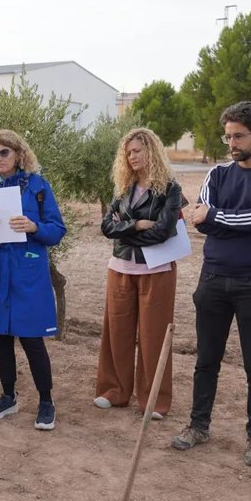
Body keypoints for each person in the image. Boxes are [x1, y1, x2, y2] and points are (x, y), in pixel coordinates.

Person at [171, 101, 251, 468]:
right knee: (206, 360)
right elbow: (200, 220)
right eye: (228, 136)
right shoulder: (217, 174)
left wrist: (220, 215)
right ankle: (198, 425)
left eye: (238, 136)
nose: (232, 143)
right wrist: (227, 216)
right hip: (212, 279)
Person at [0, 130, 65, 431]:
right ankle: (8, 396)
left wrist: (35, 226)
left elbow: (57, 229)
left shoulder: (37, 186)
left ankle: (46, 401)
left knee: (33, 339)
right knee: (1, 338)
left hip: (27, 274)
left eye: (3, 153)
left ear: (19, 154)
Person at [96, 127, 185, 420]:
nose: (132, 156)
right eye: (128, 152)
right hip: (120, 268)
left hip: (156, 271)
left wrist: (126, 229)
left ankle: (154, 401)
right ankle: (115, 392)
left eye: (137, 150)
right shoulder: (123, 188)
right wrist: (136, 225)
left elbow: (164, 230)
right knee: (116, 333)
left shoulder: (170, 189)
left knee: (153, 336)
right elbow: (107, 227)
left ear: (152, 151)